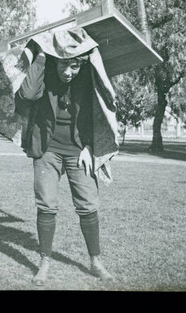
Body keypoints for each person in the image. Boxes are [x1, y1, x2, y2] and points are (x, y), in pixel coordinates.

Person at [15, 37, 114, 286]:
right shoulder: (45, 71)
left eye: (75, 66)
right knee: (46, 206)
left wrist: (90, 146)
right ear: (55, 61)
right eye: (64, 66)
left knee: (88, 205)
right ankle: (44, 262)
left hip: (79, 150)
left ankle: (95, 261)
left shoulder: (89, 77)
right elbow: (27, 93)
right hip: (47, 149)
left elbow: (99, 112)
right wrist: (40, 54)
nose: (68, 73)